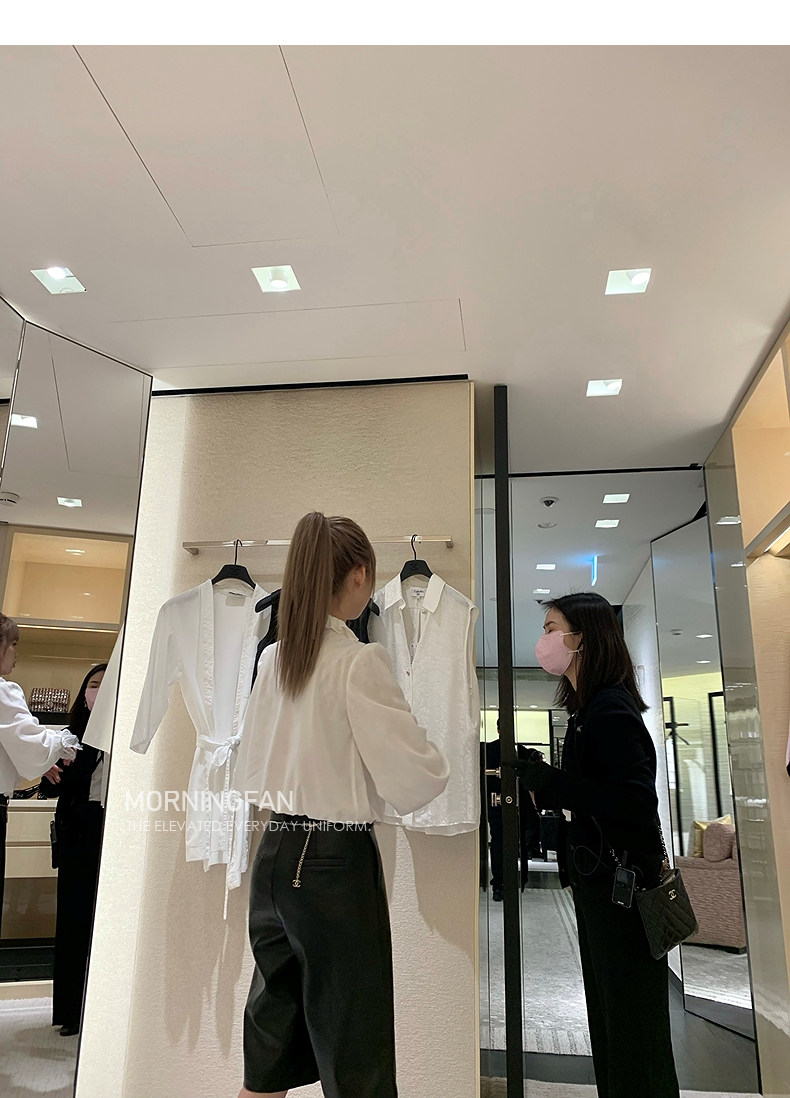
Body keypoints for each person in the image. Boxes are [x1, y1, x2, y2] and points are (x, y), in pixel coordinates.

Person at [231, 512, 450, 1098]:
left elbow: (250, 767)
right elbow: (418, 778)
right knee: (357, 1051)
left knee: (270, 1036)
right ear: (357, 576)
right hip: (333, 864)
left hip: (274, 854)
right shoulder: (358, 662)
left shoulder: (275, 659)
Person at [512, 593, 679, 1098]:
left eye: (551, 628)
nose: (543, 640)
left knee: (629, 1021)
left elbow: (633, 800)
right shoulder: (588, 710)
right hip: (601, 884)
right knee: (611, 1013)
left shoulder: (609, 709)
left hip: (621, 889)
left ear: (581, 638)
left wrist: (553, 784)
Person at [0, 613, 81, 938]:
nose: (15, 653)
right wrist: (65, 743)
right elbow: (29, 742)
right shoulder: (4, 691)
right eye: (13, 644)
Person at [40, 663, 108, 1037]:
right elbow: (50, 788)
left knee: (109, 919)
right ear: (83, 692)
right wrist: (53, 763)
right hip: (79, 831)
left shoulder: (123, 735)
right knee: (73, 917)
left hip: (114, 829)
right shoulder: (71, 736)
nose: (98, 691)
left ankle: (104, 1009)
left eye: (106, 685)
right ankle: (70, 1010)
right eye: (93, 685)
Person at [481, 718, 542, 900]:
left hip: (512, 805)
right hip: (498, 803)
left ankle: (507, 882)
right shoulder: (491, 750)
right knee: (502, 842)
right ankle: (501, 883)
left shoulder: (519, 752)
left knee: (509, 842)